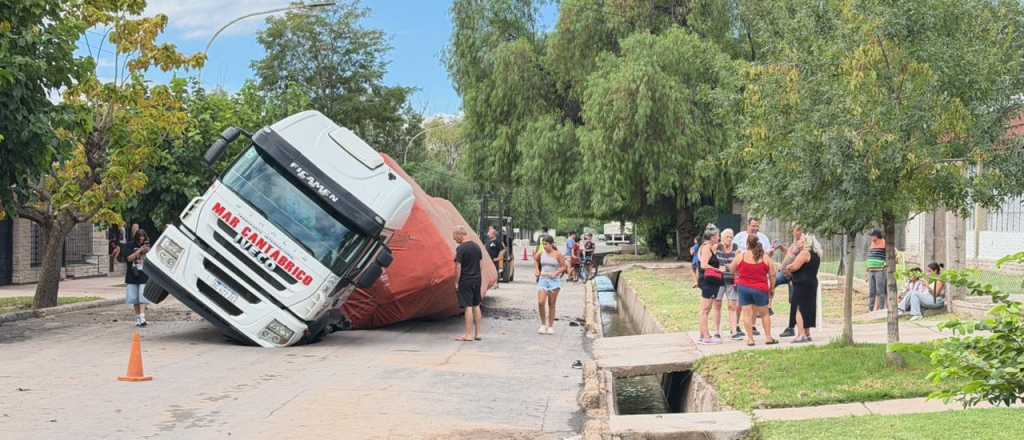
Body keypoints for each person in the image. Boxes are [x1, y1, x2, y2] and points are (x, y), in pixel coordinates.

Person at [731, 234, 778, 346]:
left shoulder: (741, 256)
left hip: (744, 288)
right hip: (760, 289)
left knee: (746, 314)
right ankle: (768, 337)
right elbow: (773, 274)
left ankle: (750, 339)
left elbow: (732, 269)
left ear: (747, 244)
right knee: (764, 314)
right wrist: (772, 288)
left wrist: (738, 275)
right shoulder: (765, 257)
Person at [733, 217, 774, 336]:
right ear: (748, 225)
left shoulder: (764, 238)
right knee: (740, 304)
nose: (755, 228)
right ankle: (735, 326)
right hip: (743, 274)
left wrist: (769, 253)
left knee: (755, 305)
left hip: (759, 275)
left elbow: (767, 256)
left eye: (757, 226)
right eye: (753, 226)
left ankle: (752, 326)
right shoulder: (739, 237)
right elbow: (734, 255)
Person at [785, 235, 821, 343]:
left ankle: (800, 334)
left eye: (801, 240)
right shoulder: (817, 254)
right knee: (808, 307)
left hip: (802, 283)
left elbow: (795, 266)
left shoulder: (805, 253)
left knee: (799, 307)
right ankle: (807, 332)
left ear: (807, 242)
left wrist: (788, 267)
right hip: (811, 282)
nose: (799, 241)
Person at [453, 226, 484, 342]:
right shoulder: (477, 247)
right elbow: (481, 265)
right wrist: (477, 276)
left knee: (468, 307)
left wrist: (456, 282)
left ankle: (469, 335)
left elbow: (458, 267)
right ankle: (478, 333)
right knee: (476, 305)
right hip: (477, 279)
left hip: (465, 280)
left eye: (455, 237)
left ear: (460, 234)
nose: (455, 240)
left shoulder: (461, 249)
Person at [775, 226, 805, 338]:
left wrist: (790, 270)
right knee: (771, 282)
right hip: (784, 273)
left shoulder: (803, 244)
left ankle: (792, 328)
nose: (797, 232)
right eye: (795, 230)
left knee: (794, 302)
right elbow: (789, 254)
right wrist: (782, 248)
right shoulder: (795, 243)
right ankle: (767, 307)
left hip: (793, 275)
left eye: (799, 230)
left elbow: (798, 260)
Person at [535, 236, 567, 335]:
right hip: (543, 280)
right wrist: (537, 270)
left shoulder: (557, 254)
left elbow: (564, 267)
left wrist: (556, 273)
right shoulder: (541, 253)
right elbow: (536, 260)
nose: (544, 246)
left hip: (554, 281)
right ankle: (543, 324)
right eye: (543, 244)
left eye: (546, 244)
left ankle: (550, 326)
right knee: (541, 302)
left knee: (551, 304)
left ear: (552, 244)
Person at [697, 225, 723, 344]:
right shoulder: (706, 247)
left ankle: (703, 334)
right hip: (707, 281)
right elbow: (703, 265)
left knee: (705, 309)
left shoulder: (709, 247)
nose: (719, 237)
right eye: (718, 235)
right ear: (712, 237)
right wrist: (719, 270)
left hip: (710, 282)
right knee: (705, 310)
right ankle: (706, 337)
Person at [715, 229, 741, 340]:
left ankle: (734, 332)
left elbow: (735, 265)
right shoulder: (717, 247)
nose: (729, 239)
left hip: (731, 280)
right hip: (718, 280)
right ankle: (717, 331)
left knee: (732, 306)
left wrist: (725, 268)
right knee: (717, 305)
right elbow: (714, 264)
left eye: (731, 237)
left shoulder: (736, 248)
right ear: (721, 237)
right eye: (727, 237)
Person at [124, 228, 152, 327]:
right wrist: (139, 250)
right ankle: (138, 318)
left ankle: (142, 316)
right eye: (139, 236)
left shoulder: (147, 246)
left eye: (143, 236)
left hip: (143, 274)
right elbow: (128, 258)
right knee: (134, 298)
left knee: (142, 296)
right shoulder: (129, 245)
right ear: (136, 237)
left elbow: (150, 260)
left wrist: (147, 251)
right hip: (132, 274)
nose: (141, 238)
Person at [866, 229, 887, 311]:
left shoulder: (884, 242)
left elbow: (893, 253)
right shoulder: (872, 243)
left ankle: (881, 309)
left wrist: (884, 265)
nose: (871, 237)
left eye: (872, 235)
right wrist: (867, 268)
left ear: (876, 235)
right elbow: (870, 256)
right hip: (871, 271)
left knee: (880, 291)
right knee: (871, 292)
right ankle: (870, 310)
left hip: (879, 270)